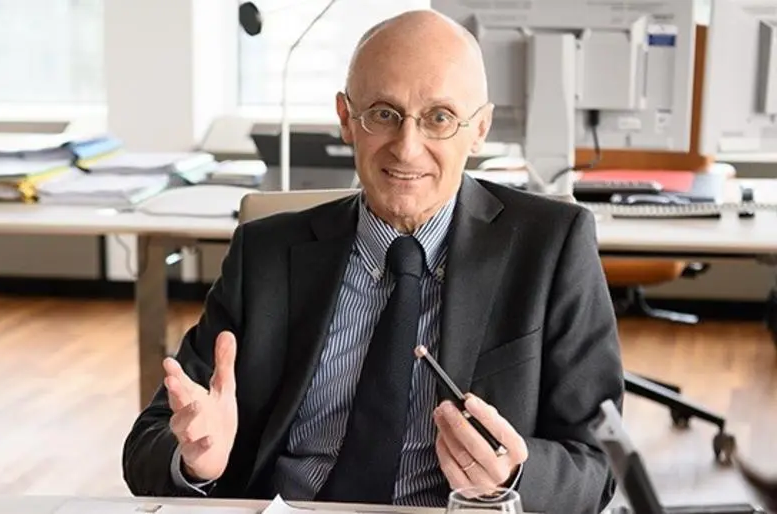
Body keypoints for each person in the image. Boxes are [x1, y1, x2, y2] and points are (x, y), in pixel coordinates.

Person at [122, 9, 624, 514]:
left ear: (479, 129)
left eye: (439, 118)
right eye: (383, 114)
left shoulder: (551, 247)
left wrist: (517, 474)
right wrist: (195, 461)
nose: (407, 148)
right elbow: (149, 441)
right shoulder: (266, 254)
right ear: (346, 118)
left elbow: (599, 465)